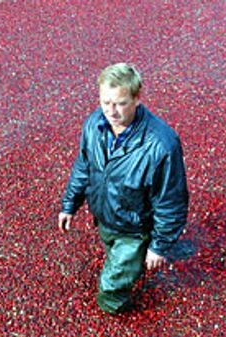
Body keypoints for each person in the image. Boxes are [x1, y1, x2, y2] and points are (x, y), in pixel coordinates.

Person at [58, 63, 189, 314]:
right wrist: (70, 204)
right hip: (106, 217)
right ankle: (130, 268)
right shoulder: (95, 124)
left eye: (120, 103)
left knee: (110, 286)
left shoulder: (162, 145)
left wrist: (158, 246)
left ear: (137, 98)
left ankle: (115, 307)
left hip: (135, 228)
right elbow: (84, 165)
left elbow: (171, 201)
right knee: (115, 255)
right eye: (105, 102)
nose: (111, 111)